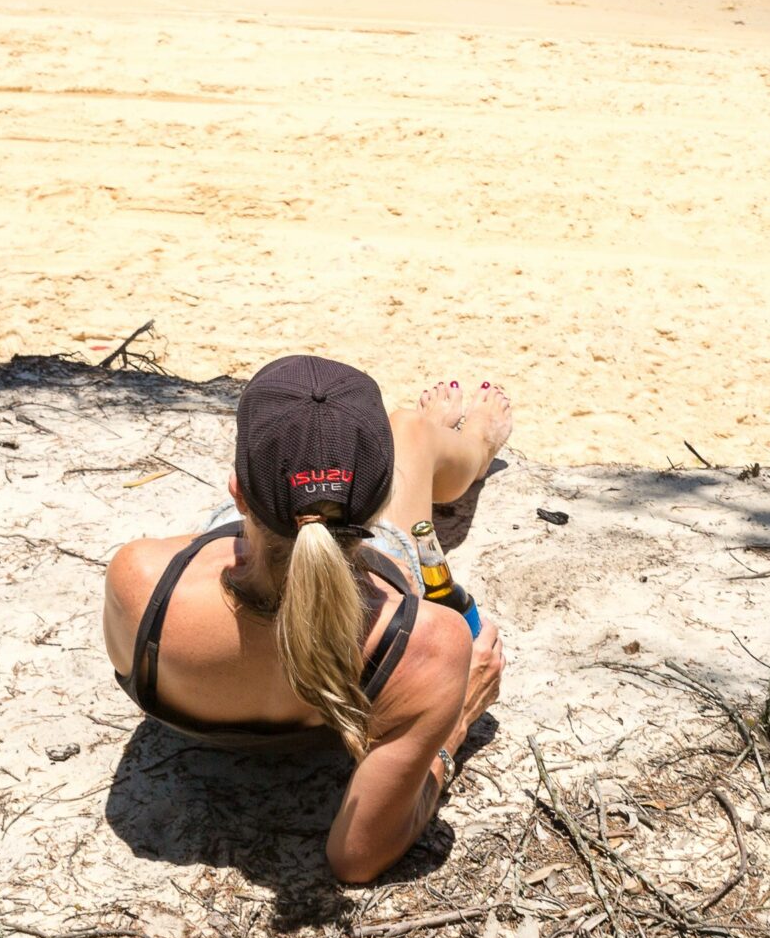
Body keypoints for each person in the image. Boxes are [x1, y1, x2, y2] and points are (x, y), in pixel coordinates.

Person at [101, 355, 509, 882]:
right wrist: (457, 723)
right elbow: (356, 858)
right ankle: (477, 443)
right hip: (346, 590)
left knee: (400, 430)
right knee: (410, 427)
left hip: (237, 580)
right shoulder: (428, 648)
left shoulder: (138, 581)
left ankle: (449, 443)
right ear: (381, 506)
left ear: (237, 492)